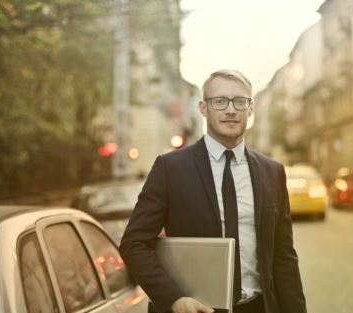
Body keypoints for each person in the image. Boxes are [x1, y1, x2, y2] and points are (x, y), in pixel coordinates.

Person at [119, 69, 307, 313]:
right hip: (195, 309)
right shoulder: (170, 169)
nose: (231, 109)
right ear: (203, 108)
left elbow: (284, 257)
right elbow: (134, 244)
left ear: (250, 108)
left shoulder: (272, 172)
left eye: (240, 101)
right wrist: (174, 300)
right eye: (219, 101)